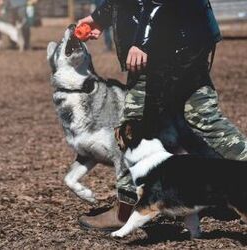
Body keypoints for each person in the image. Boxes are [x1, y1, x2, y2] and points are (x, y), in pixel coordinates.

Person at [77, 0, 247, 231]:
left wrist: (142, 42)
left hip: (159, 45)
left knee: (131, 127)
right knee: (204, 117)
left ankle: (126, 210)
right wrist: (101, 16)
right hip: (188, 39)